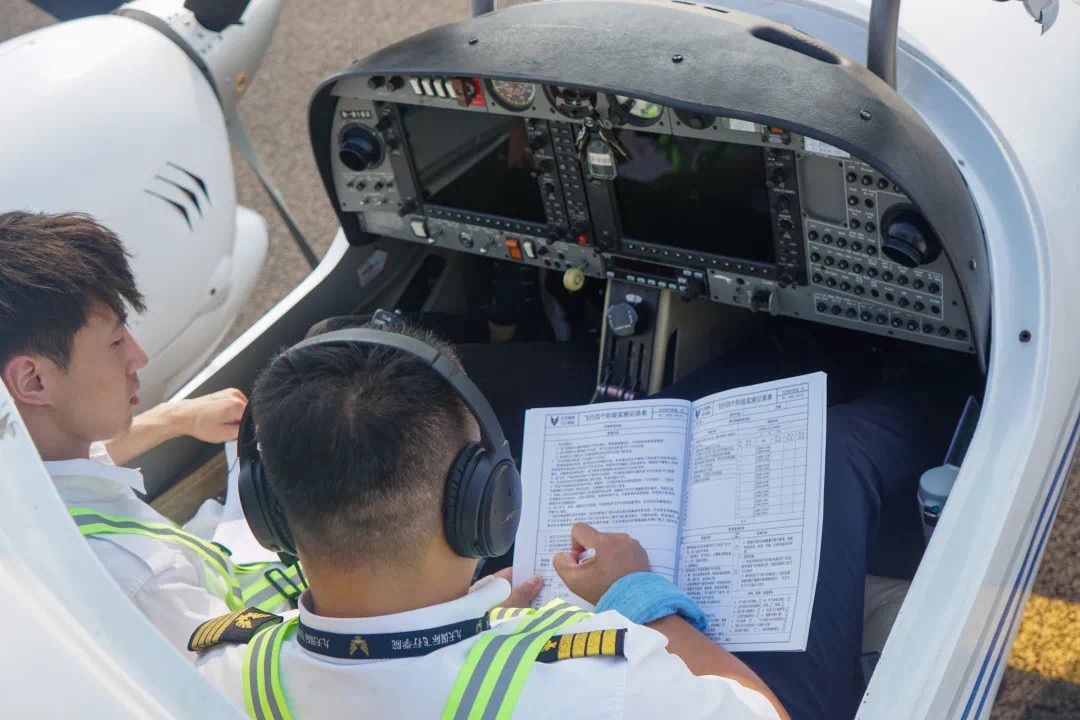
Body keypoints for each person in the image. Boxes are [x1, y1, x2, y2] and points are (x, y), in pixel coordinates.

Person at [194, 324, 789, 720]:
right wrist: (637, 597)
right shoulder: (605, 684)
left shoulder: (214, 670)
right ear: (483, 504)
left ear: (268, 510)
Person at [0, 210, 307, 659]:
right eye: (115, 342)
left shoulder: (28, 462)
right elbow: (255, 676)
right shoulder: (143, 579)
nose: (138, 357)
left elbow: (78, 465)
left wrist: (174, 419)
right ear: (33, 381)